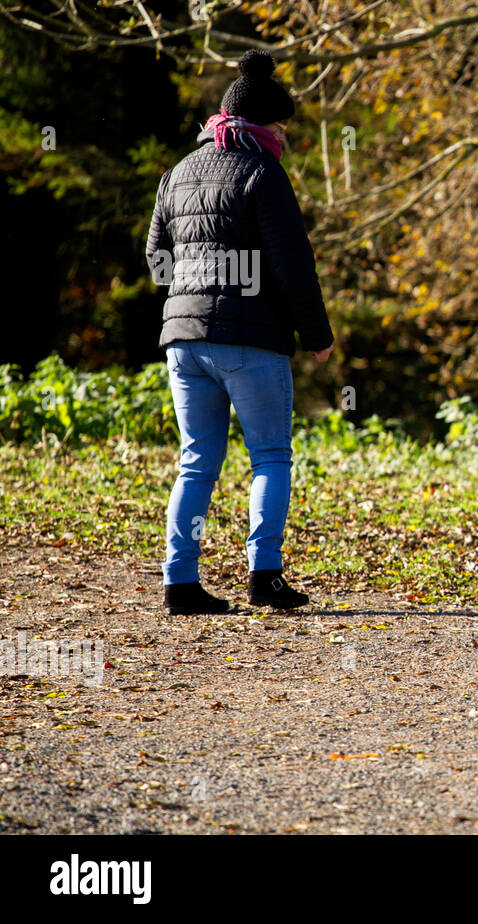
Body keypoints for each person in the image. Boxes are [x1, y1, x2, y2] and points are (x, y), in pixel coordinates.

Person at [146, 49, 335, 616]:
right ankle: (264, 575)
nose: (284, 136)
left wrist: (188, 297)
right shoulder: (262, 172)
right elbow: (292, 264)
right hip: (250, 341)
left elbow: (157, 260)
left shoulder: (176, 172)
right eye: (280, 126)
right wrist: (316, 334)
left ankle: (180, 581)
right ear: (260, 126)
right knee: (271, 456)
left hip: (182, 339)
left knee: (197, 459)